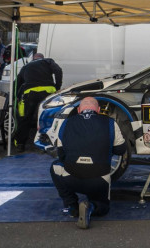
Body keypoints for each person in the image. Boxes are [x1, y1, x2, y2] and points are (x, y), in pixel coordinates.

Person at [50, 97, 126, 229]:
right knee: (103, 208)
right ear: (98, 110)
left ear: (79, 110)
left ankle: (72, 206)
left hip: (71, 177)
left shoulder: (66, 123)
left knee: (54, 167)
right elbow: (120, 150)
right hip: (99, 180)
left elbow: (61, 154)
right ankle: (91, 207)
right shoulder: (110, 123)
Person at [13, 52, 63, 151]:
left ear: (33, 59)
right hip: (47, 93)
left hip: (30, 94)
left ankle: (20, 144)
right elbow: (58, 70)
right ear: (42, 58)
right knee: (49, 117)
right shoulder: (48, 61)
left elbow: (16, 83)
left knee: (25, 119)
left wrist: (15, 97)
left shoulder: (26, 67)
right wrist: (57, 87)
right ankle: (49, 143)